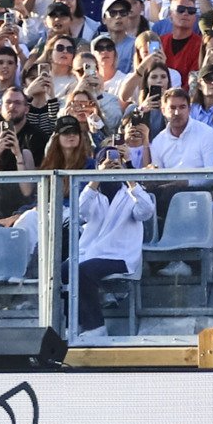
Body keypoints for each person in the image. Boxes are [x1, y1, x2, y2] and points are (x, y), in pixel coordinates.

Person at [72, 143, 154, 339]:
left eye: (115, 162)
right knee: (64, 270)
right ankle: (76, 324)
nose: (111, 166)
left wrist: (127, 177)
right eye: (105, 162)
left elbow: (146, 211)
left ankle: (96, 328)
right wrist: (96, 179)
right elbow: (79, 212)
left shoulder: (130, 195)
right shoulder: (93, 194)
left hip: (120, 255)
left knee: (82, 271)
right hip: (90, 254)